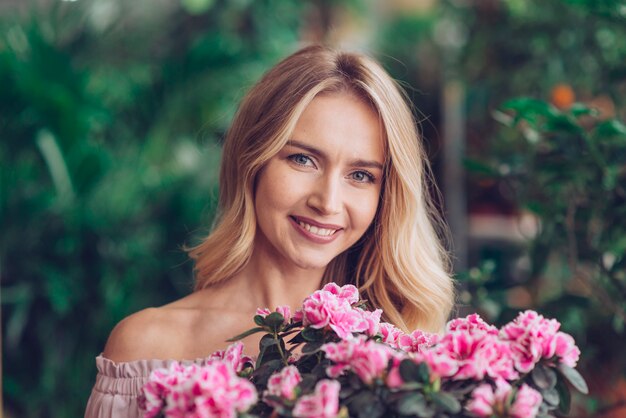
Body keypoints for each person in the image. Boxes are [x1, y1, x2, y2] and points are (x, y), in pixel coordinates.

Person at [84, 44, 455, 417]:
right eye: (302, 159)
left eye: (360, 175)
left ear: (385, 195)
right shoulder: (144, 348)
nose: (327, 202)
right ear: (252, 161)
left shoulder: (404, 360)